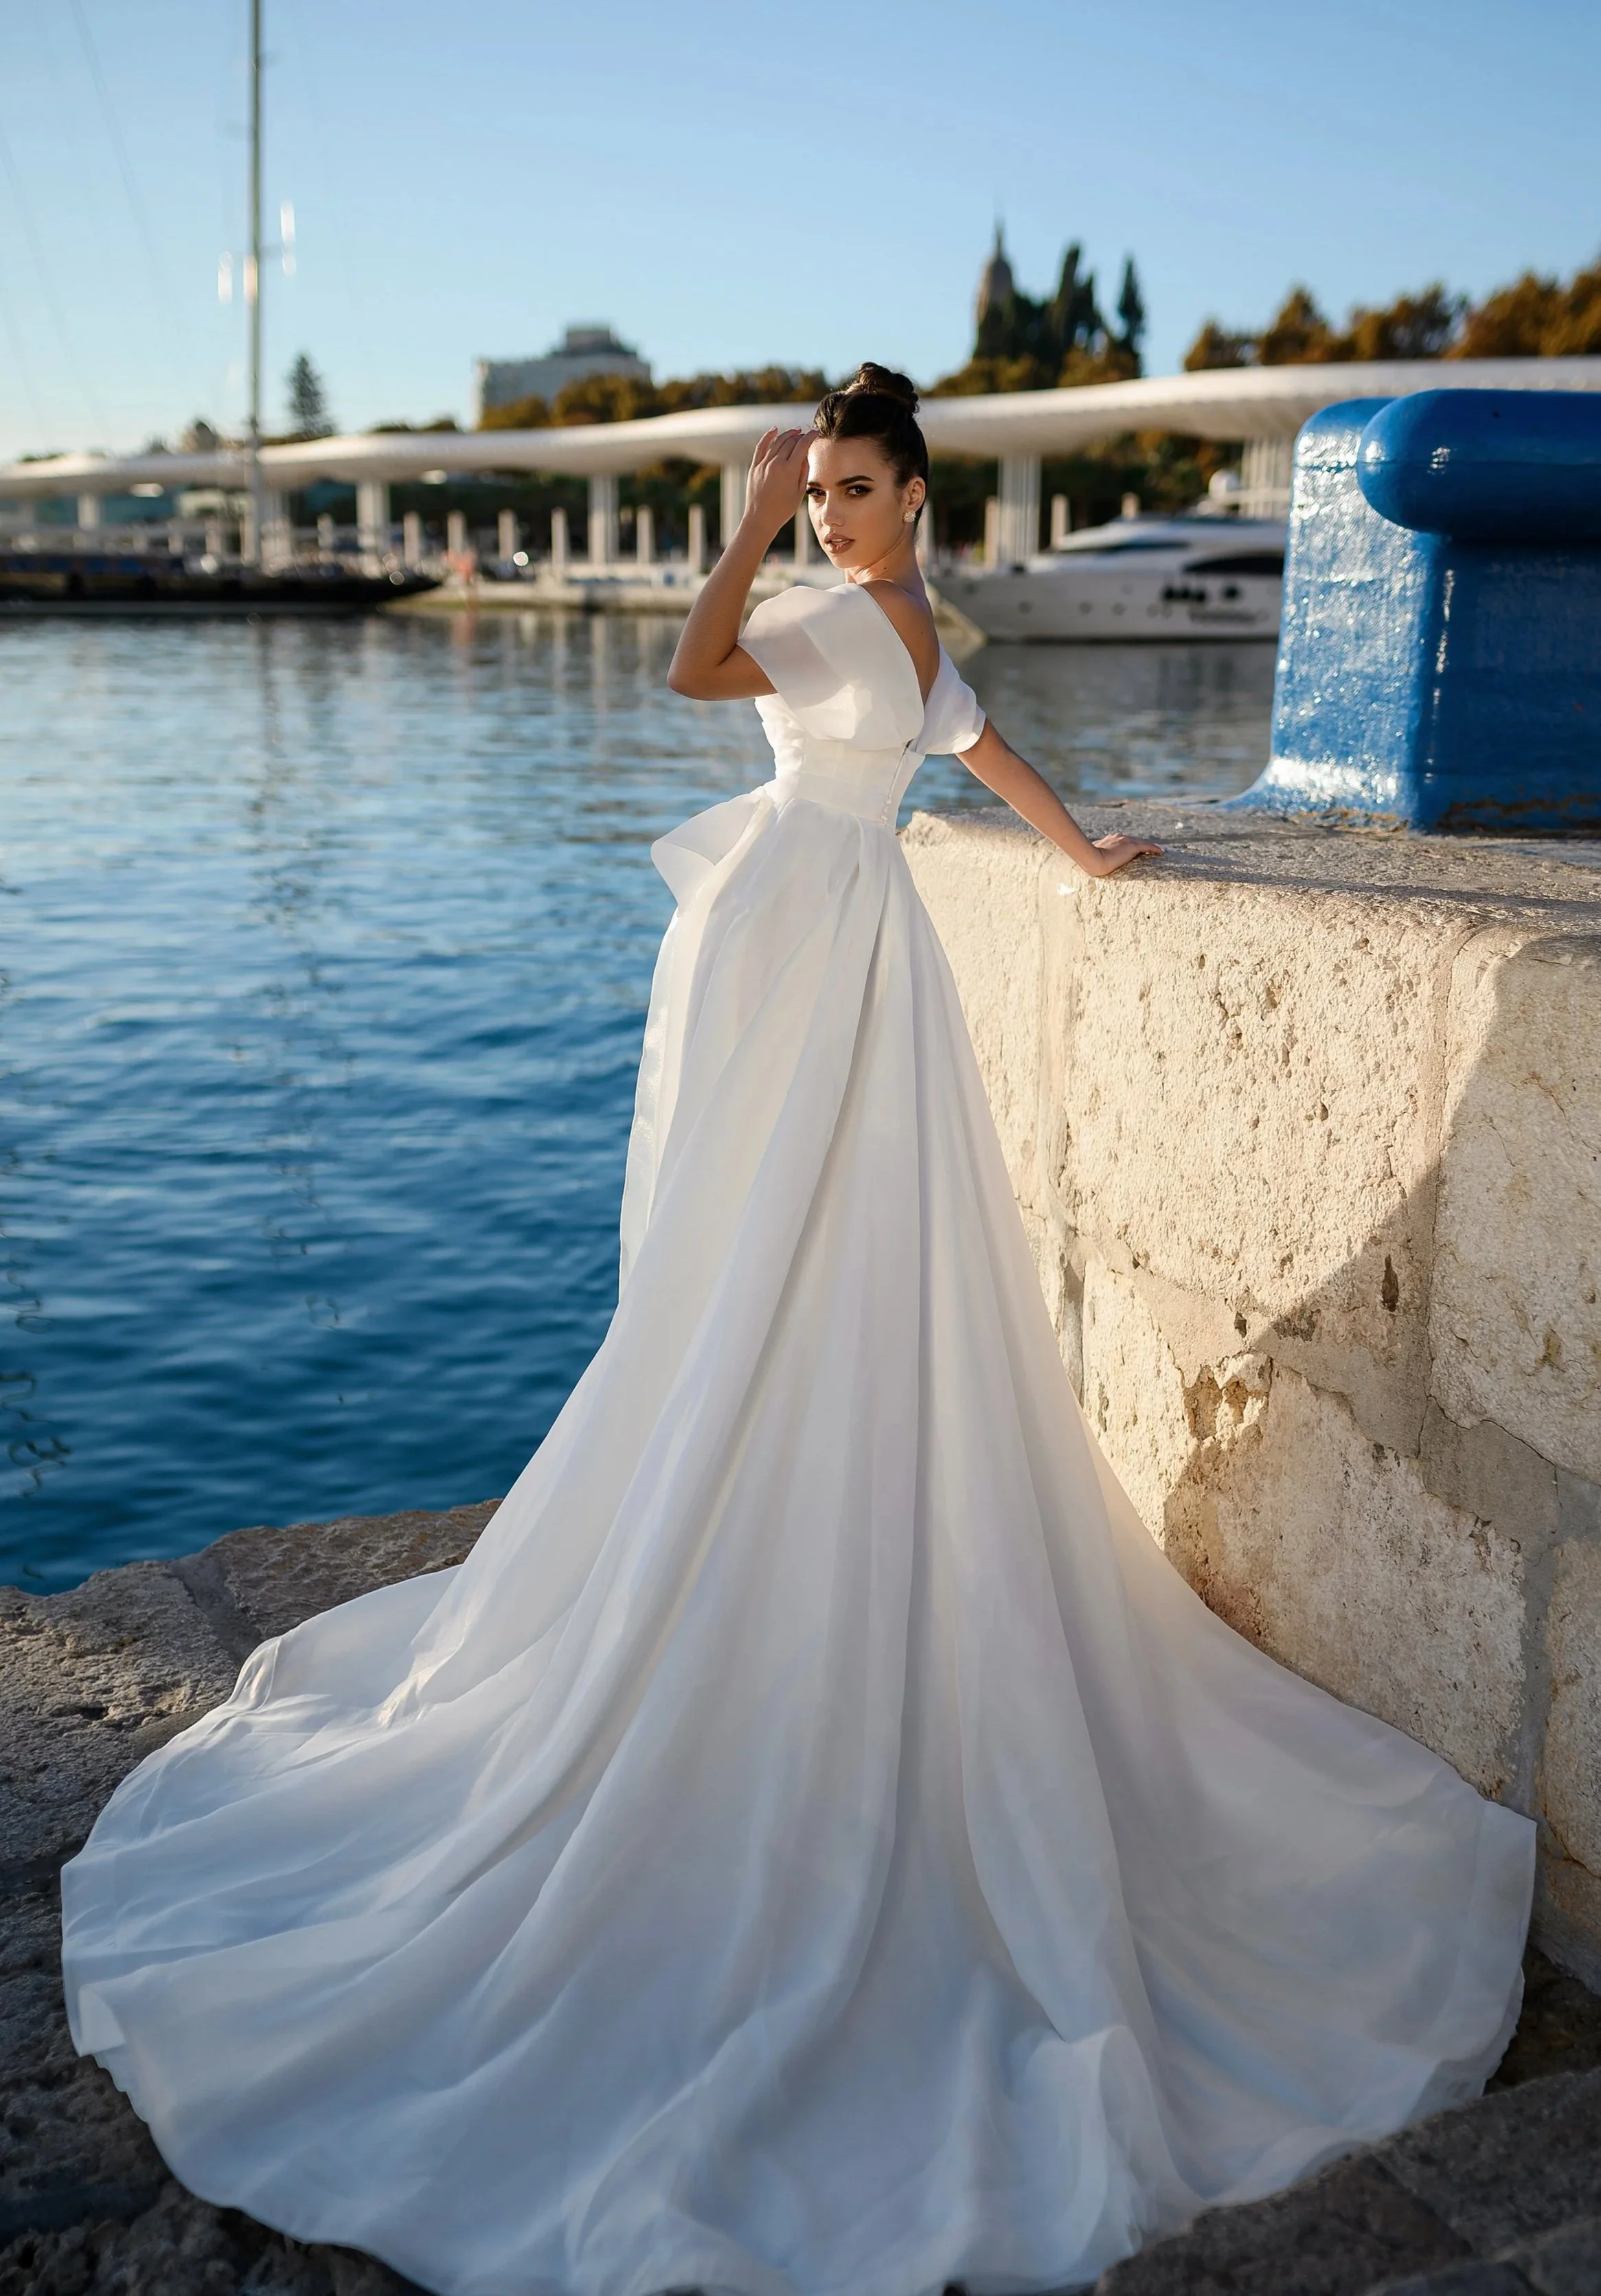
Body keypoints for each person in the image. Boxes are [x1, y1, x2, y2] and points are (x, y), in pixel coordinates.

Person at [61, 365, 1534, 2296]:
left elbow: (980, 746)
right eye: (817, 488)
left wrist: (1085, 853)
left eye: (849, 487)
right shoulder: (821, 605)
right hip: (779, 931)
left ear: (915, 492)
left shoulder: (912, 622)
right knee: (741, 1249)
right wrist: (749, 524)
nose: (831, 511)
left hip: (869, 953)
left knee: (869, 1250)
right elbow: (692, 672)